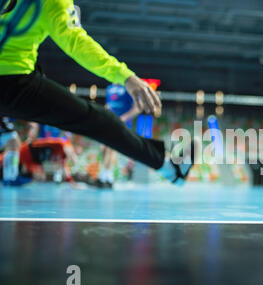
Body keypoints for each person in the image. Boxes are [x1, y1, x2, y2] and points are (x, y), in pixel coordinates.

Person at [0, 0, 196, 186]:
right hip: (13, 82)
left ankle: (117, 174)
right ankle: (169, 169)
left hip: (15, 79)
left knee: (11, 139)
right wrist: (125, 76)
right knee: (98, 120)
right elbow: (76, 42)